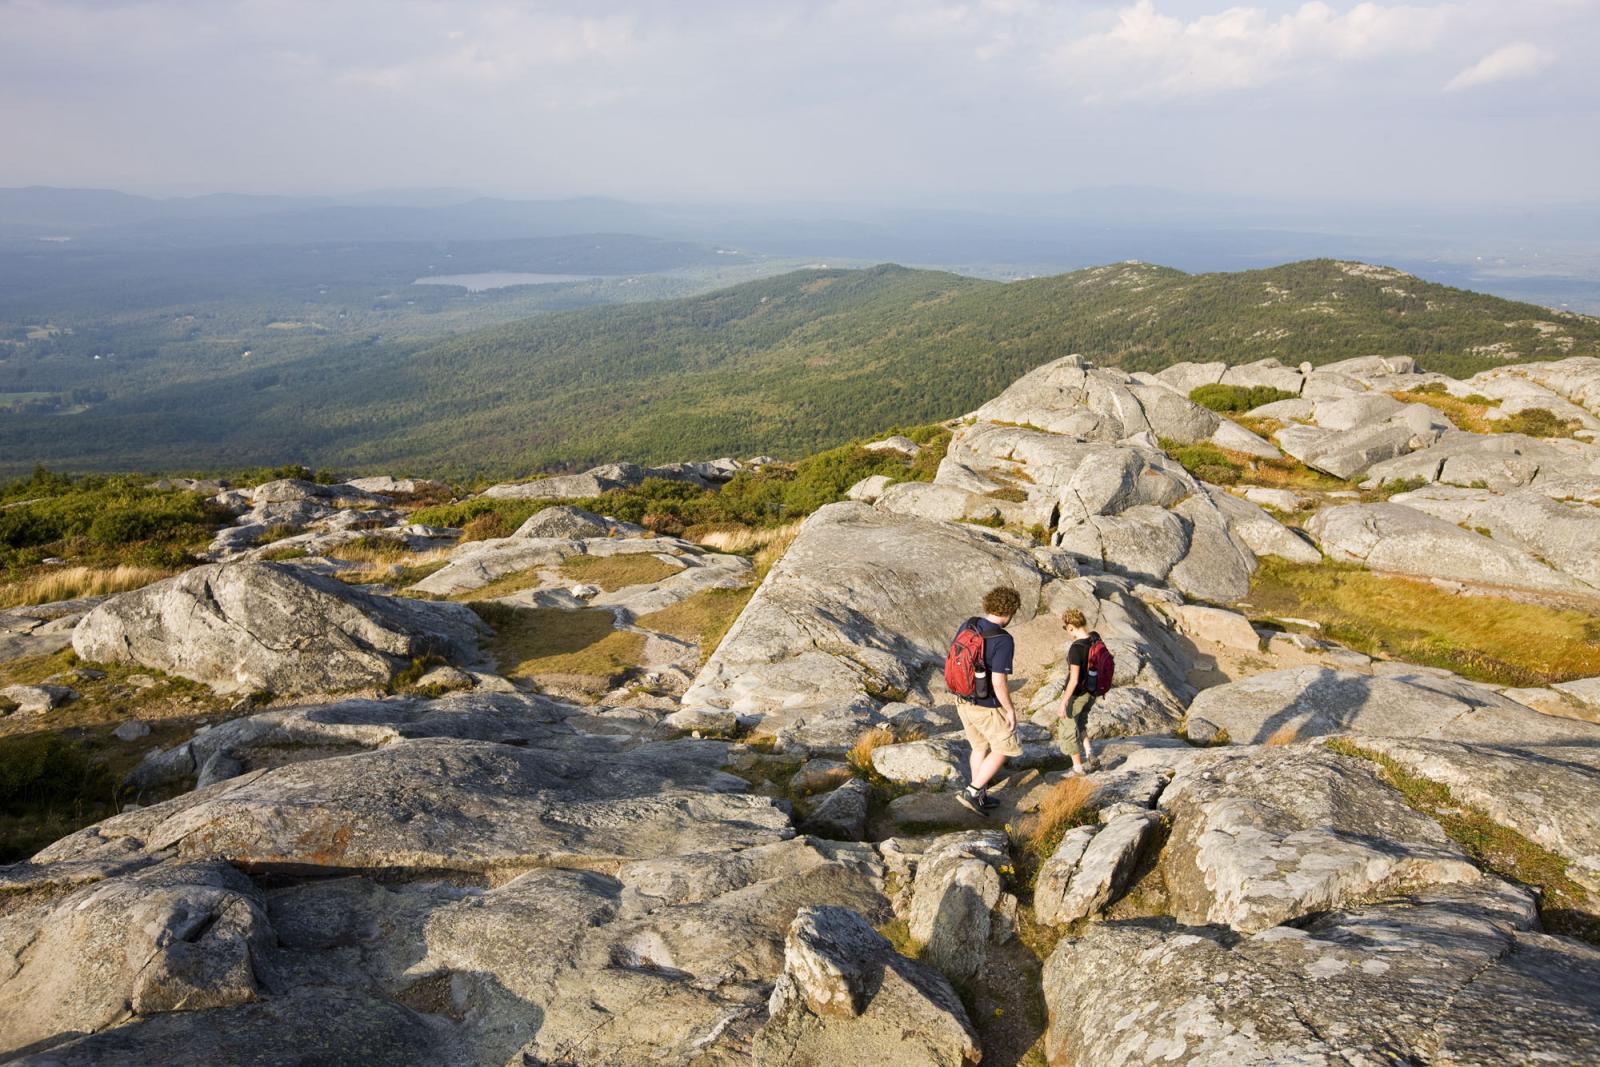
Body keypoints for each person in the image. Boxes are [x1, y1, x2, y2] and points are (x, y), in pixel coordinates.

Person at [953, 586, 1023, 816]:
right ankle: (972, 791)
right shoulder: (1003, 639)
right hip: (986, 705)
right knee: (1005, 747)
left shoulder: (969, 624)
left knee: (979, 746)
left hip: (963, 700)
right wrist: (1010, 710)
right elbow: (999, 682)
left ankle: (979, 795)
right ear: (1010, 611)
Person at [1055, 609, 1101, 775]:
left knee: (1068, 727)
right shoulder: (1095, 638)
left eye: (1067, 629)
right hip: (1091, 691)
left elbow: (1074, 680)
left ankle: (1077, 768)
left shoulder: (1076, 648)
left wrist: (1063, 702)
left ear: (1071, 627)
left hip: (1078, 694)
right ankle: (1089, 753)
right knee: (1080, 722)